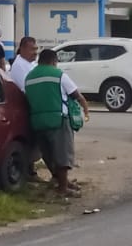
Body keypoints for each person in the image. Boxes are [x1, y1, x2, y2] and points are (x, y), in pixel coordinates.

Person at [24, 47, 88, 196]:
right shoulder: (58, 74)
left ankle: (61, 182)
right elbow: (75, 94)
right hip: (57, 119)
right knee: (63, 154)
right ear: (54, 61)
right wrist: (85, 109)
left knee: (49, 154)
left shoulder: (30, 77)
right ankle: (63, 188)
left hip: (37, 121)